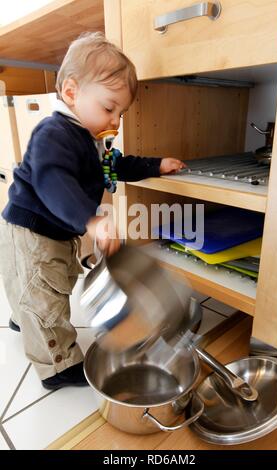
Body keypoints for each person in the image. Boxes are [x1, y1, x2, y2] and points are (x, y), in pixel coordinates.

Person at [0, 32, 186, 389]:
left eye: (120, 112)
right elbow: (53, 181)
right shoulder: (53, 133)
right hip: (33, 232)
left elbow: (117, 166)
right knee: (45, 293)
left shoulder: (92, 140)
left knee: (51, 284)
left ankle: (24, 319)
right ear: (71, 92)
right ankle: (58, 366)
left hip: (56, 231)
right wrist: (90, 220)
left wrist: (156, 165)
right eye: (108, 107)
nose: (115, 120)